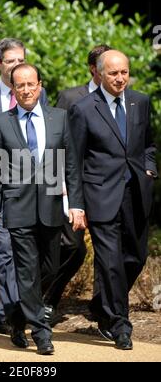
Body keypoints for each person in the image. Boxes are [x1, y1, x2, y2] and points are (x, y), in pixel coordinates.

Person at [0, 63, 86, 355]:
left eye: (31, 84)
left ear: (40, 85)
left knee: (50, 268)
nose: (26, 90)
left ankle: (16, 317)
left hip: (52, 207)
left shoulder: (60, 118)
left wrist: (77, 204)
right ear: (13, 90)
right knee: (27, 272)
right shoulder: (2, 122)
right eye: (20, 86)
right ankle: (42, 333)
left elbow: (71, 166)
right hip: (18, 208)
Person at [69, 50, 157, 350]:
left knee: (136, 257)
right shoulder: (83, 109)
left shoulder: (141, 102)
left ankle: (100, 305)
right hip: (101, 196)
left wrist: (150, 168)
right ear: (99, 74)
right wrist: (77, 204)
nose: (120, 79)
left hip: (135, 193)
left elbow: (149, 144)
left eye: (124, 72)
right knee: (110, 263)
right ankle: (120, 325)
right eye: (113, 74)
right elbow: (74, 161)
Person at [0, 38, 48, 335]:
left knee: (30, 254)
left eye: (21, 59)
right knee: (2, 251)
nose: (17, 65)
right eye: (11, 61)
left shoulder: (35, 93)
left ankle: (19, 310)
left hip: (29, 190)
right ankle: (7, 313)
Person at [43, 44, 112, 324]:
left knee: (110, 252)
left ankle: (103, 308)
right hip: (72, 187)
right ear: (94, 69)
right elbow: (55, 139)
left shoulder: (124, 98)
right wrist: (54, 185)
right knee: (74, 248)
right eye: (105, 67)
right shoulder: (71, 97)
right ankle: (47, 298)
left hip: (107, 188)